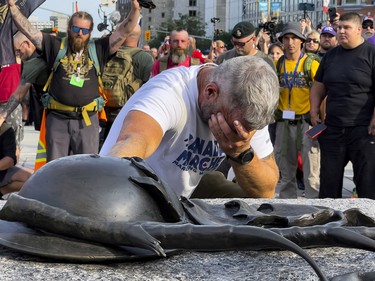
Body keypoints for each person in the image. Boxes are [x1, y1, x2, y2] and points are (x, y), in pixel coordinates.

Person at [100, 56, 280, 199]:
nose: (239, 134)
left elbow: (266, 191)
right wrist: (101, 182)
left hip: (180, 195)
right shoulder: (169, 92)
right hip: (134, 191)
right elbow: (134, 140)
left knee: (255, 207)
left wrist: (241, 152)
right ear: (210, 92)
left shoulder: (247, 111)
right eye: (233, 127)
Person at [6, 0, 141, 162]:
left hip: (87, 122)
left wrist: (135, 9)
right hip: (57, 121)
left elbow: (124, 31)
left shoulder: (98, 48)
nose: (80, 33)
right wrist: (13, 7)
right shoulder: (54, 45)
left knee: (86, 170)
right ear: (69, 28)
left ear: (90, 31)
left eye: (84, 30)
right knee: (56, 169)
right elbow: (28, 30)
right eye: (76, 28)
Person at [310, 12, 375, 199]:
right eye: (339, 28)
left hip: (363, 130)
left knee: (367, 183)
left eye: (346, 28)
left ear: (359, 30)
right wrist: (313, 110)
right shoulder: (330, 56)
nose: (341, 31)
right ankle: (328, 225)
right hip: (333, 128)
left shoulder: (371, 54)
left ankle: (368, 225)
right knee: (329, 184)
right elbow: (318, 86)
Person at [274, 22, 320, 199]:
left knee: (311, 170)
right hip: (284, 122)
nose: (290, 42)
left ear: (301, 40)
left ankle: (314, 206)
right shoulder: (279, 64)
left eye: (294, 38)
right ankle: (287, 206)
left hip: (307, 122)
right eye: (286, 38)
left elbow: (322, 91)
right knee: (285, 170)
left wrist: (318, 116)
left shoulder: (310, 63)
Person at [102, 24, 154, 141]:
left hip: (106, 112)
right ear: (139, 38)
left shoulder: (108, 53)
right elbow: (148, 88)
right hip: (129, 114)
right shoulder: (144, 58)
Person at [0, 32, 49, 132]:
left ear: (27, 44)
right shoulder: (39, 57)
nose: (18, 54)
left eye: (18, 51)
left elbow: (19, 94)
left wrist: (2, 117)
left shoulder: (33, 63)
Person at [0, 123, 33, 199]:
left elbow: (10, 159)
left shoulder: (5, 129)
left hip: (2, 170)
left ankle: (2, 190)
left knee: (34, 177)